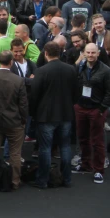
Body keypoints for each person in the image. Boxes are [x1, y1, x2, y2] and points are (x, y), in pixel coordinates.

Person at [30, 42, 78, 189]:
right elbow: (76, 92)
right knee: (65, 146)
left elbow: (34, 94)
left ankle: (42, 180)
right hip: (66, 114)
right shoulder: (71, 69)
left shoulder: (41, 71)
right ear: (60, 52)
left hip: (46, 116)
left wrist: (32, 112)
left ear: (45, 53)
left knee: (45, 148)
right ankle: (67, 179)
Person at [0, 50, 28, 190]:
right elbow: (23, 103)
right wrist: (23, 119)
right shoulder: (18, 80)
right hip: (14, 121)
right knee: (15, 153)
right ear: (11, 62)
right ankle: (15, 181)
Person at [74, 42, 110, 183]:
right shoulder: (80, 67)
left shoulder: (105, 70)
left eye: (93, 53)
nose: (90, 55)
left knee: (97, 140)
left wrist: (101, 109)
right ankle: (85, 164)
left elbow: (109, 92)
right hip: (81, 107)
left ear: (98, 54)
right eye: (88, 52)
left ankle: (98, 169)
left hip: (96, 109)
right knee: (82, 137)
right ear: (84, 53)